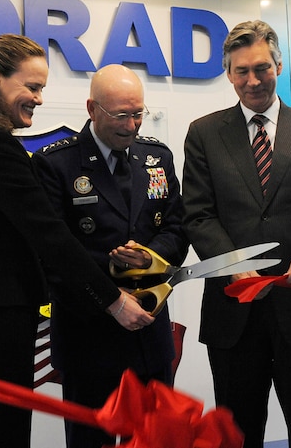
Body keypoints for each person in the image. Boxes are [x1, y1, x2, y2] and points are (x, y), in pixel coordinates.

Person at [0, 35, 152, 448]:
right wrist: (113, 300)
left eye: (41, 89)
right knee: (0, 433)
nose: (38, 98)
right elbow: (51, 237)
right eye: (31, 87)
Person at [182, 21, 291, 448]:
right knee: (237, 438)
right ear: (228, 74)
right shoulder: (204, 133)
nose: (252, 80)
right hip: (234, 317)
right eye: (241, 71)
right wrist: (234, 268)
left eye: (262, 68)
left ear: (278, 65)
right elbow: (197, 215)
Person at [32, 63, 188, 448]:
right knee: (90, 441)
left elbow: (178, 228)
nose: (132, 125)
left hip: (149, 333)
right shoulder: (56, 164)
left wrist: (150, 256)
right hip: (90, 335)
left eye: (138, 113)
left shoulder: (156, 157)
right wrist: (112, 270)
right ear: (92, 109)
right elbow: (53, 253)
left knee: (154, 440)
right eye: (121, 115)